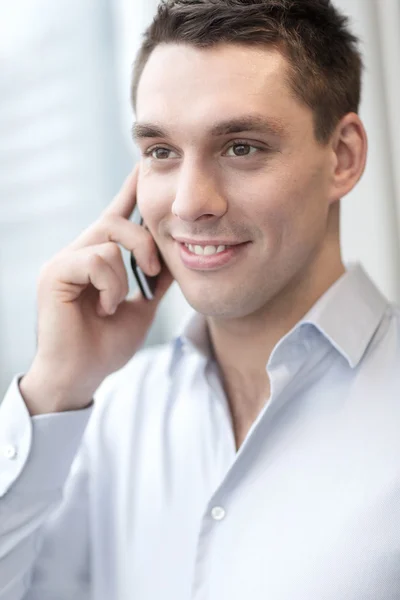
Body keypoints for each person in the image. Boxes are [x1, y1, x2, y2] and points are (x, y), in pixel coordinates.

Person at [1, 0, 400, 598]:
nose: (189, 204)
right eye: (161, 151)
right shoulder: (104, 412)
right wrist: (54, 385)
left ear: (341, 156)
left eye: (241, 146)